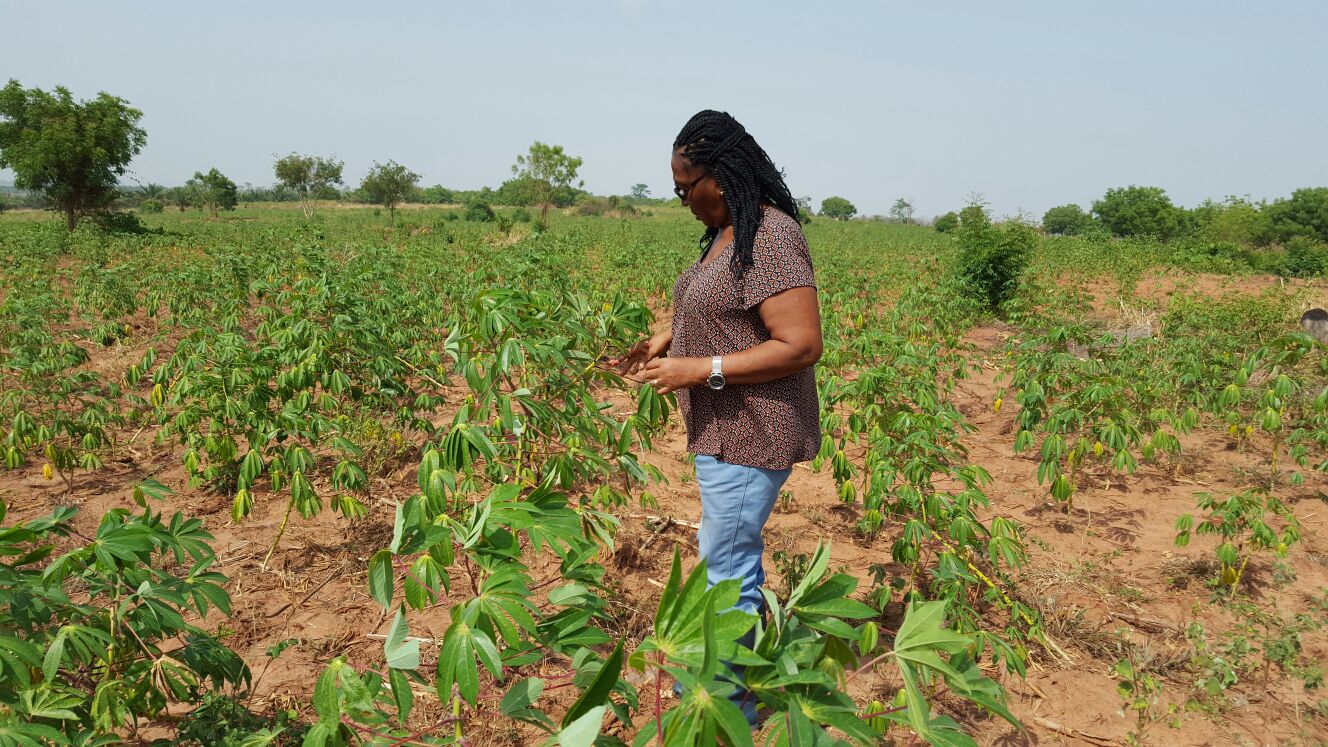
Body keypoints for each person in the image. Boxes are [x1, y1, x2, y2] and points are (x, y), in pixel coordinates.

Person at [612, 109, 822, 725]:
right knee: (726, 561)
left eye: (686, 187)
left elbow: (800, 344)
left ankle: (722, 712)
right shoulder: (732, 232)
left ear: (723, 177)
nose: (683, 200)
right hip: (724, 432)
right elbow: (730, 310)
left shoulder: (772, 236)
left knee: (727, 572)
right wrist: (668, 337)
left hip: (752, 433)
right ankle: (728, 694)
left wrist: (696, 369)